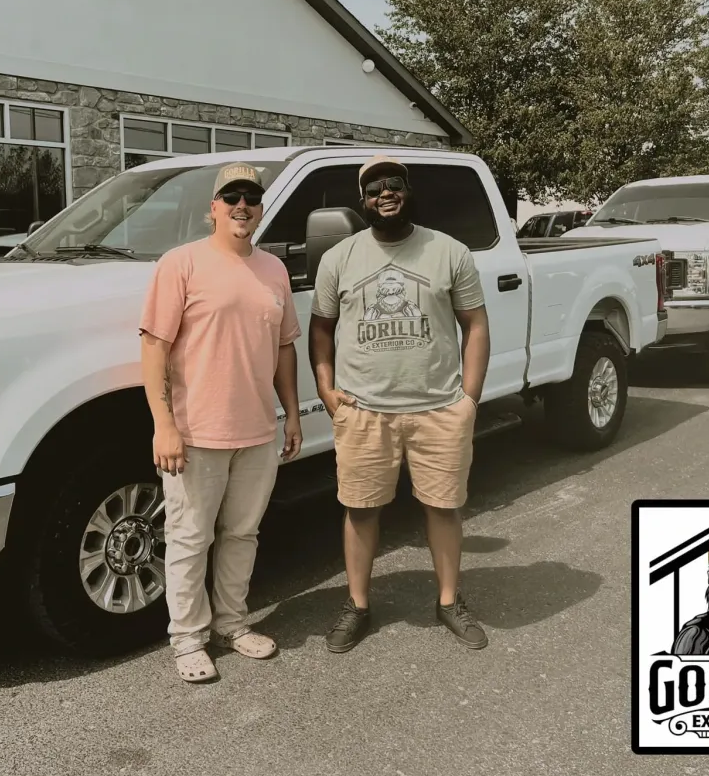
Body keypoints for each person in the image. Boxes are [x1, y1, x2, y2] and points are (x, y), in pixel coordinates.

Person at [308, 154, 491, 653]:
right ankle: (358, 605)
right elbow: (320, 329)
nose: (384, 193)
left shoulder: (449, 252)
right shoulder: (338, 258)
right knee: (361, 510)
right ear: (362, 200)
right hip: (364, 409)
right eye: (373, 187)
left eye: (394, 184)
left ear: (408, 191)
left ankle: (450, 601)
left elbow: (475, 324)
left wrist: (468, 400)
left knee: (444, 506)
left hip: (439, 408)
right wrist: (327, 390)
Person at [139, 161, 303, 684]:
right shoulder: (180, 264)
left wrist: (293, 412)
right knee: (189, 538)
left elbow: (283, 348)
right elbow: (154, 347)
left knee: (243, 534)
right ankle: (188, 639)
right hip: (195, 433)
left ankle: (232, 624)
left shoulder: (273, 270)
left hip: (257, 430)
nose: (241, 205)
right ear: (213, 208)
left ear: (261, 207)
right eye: (230, 196)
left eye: (251, 197)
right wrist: (163, 424)